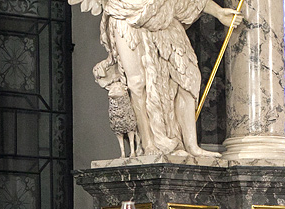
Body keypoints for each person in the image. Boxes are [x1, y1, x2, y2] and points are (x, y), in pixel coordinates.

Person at [88, 0, 243, 157]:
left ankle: (191, 145)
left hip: (164, 11)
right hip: (125, 15)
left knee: (187, 76)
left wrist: (218, 12)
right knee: (137, 83)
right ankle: (148, 144)